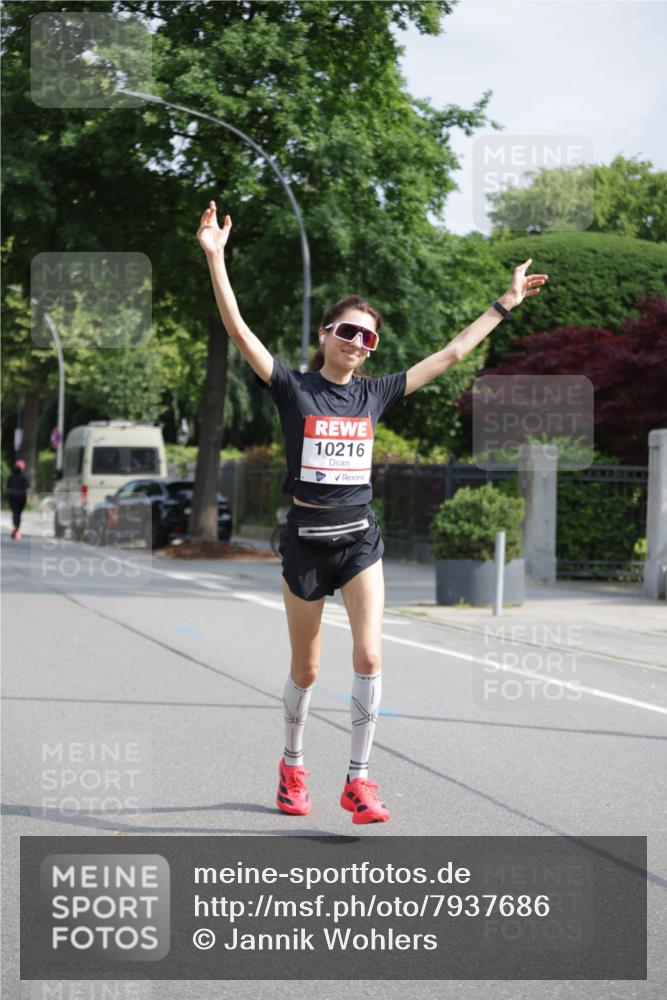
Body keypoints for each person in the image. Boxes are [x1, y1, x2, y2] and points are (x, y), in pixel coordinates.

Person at [197, 200, 548, 824]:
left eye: (368, 336)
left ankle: (358, 779)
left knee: (369, 656)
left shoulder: (375, 392)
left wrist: (505, 303)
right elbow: (238, 330)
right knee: (306, 667)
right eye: (347, 331)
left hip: (360, 542)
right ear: (325, 336)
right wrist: (216, 258)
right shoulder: (293, 387)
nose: (358, 342)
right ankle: (293, 763)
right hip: (306, 542)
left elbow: (450, 356)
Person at [7, 459, 30, 540]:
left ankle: (15, 527)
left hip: (12, 496)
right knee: (19, 513)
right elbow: (27, 486)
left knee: (15, 513)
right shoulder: (24, 476)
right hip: (21, 497)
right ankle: (17, 529)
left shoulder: (11, 475)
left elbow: (8, 486)